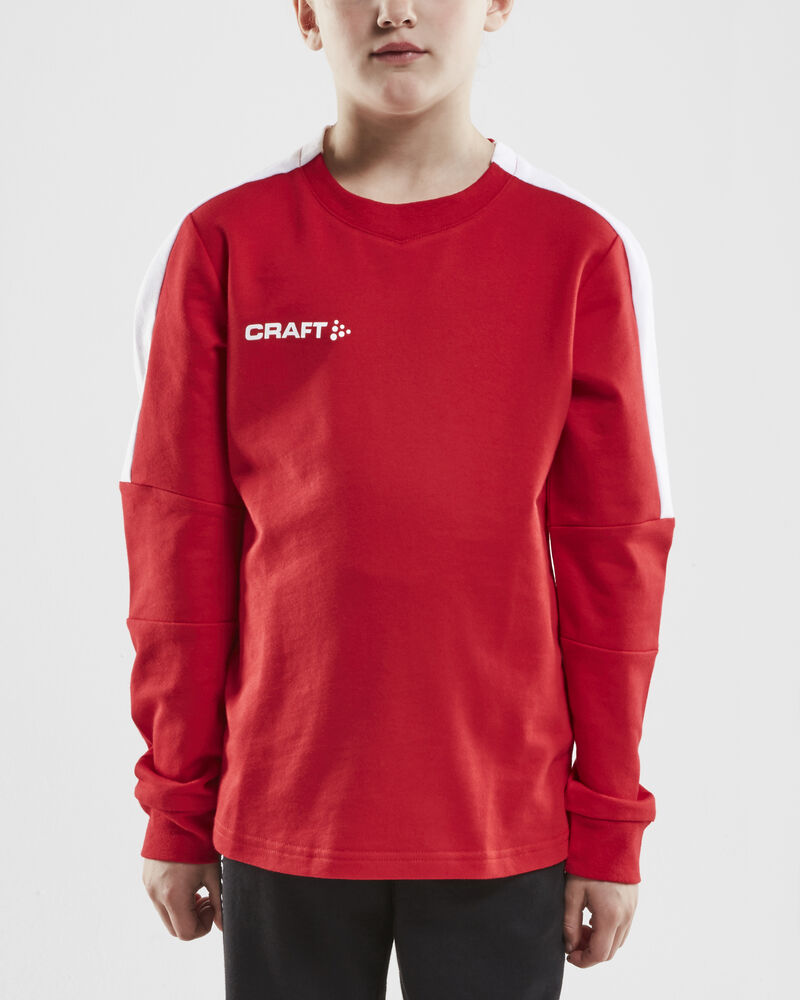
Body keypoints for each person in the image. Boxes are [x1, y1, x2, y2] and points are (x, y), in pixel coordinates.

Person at [118, 1, 676, 996]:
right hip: (283, 813)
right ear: (304, 14)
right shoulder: (222, 243)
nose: (394, 11)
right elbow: (178, 546)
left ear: (497, 5)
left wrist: (609, 820)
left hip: (501, 820)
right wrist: (176, 803)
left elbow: (613, 555)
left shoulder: (578, 250)